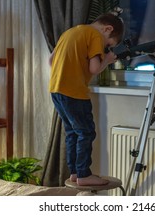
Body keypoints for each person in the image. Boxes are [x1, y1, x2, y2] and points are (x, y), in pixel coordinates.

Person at [49, 12, 124, 186]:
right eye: (108, 44)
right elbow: (94, 68)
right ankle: (83, 174)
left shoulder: (69, 32)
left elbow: (51, 60)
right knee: (86, 132)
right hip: (74, 92)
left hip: (56, 89)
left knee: (72, 132)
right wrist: (107, 59)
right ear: (107, 29)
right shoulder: (95, 35)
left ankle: (75, 172)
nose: (105, 46)